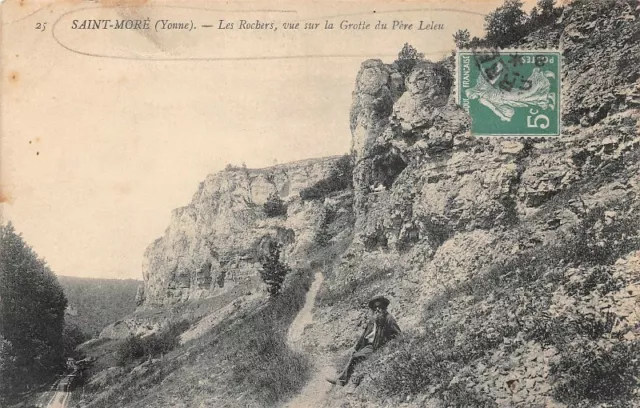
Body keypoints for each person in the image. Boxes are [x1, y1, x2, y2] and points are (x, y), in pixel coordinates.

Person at [326, 295, 401, 386]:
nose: (377, 309)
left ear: (384, 307)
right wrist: (356, 347)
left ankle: (342, 381)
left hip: (377, 347)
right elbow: (363, 336)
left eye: (380, 307)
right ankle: (340, 378)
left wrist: (387, 344)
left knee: (355, 357)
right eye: (375, 307)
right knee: (353, 354)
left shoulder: (388, 318)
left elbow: (398, 334)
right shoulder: (373, 320)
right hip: (368, 345)